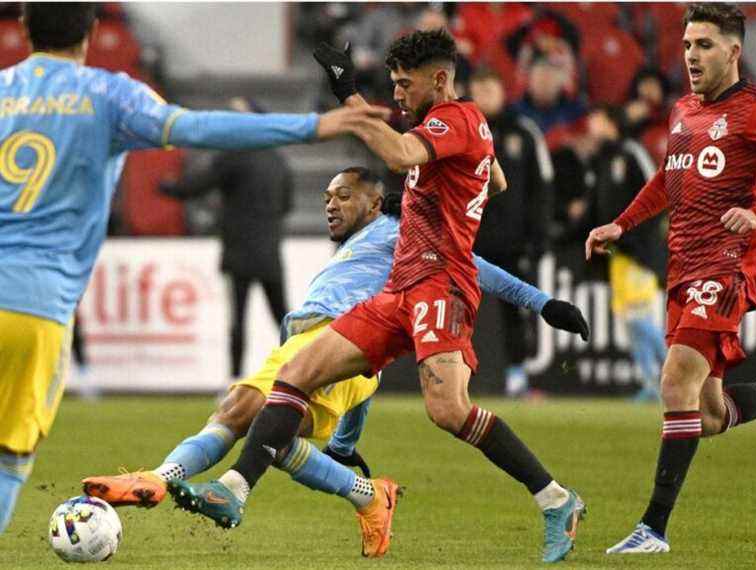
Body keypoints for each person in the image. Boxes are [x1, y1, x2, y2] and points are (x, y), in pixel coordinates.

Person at [171, 29, 589, 564]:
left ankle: (557, 500)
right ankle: (233, 490)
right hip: (400, 291)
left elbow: (399, 155)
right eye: (391, 84)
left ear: (440, 79)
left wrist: (350, 97)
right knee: (294, 375)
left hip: (442, 283)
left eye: (403, 84)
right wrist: (441, 184)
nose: (396, 94)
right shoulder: (459, 127)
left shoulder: (455, 118)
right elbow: (496, 180)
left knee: (448, 410)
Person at [0, 2, 387, 536]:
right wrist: (314, 125)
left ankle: (174, 477)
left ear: (22, 28)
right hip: (35, 308)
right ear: (92, 30)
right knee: (7, 459)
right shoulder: (111, 94)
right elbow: (200, 127)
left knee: (256, 407)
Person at [83, 165, 590, 557]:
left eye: (343, 196)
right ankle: (368, 496)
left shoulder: (396, 231)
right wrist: (347, 441)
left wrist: (541, 303)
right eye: (326, 198)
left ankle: (161, 478)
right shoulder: (355, 248)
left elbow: (472, 267)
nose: (330, 205)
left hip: (330, 343)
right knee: (272, 436)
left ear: (375, 203)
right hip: (318, 346)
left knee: (241, 408)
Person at [586, 3, 756, 554]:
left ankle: (652, 530)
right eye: (687, 45)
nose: (691, 56)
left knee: (673, 383)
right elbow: (670, 177)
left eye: (704, 45)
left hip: (728, 263)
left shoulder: (754, 111)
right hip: (683, 267)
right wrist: (622, 221)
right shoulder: (683, 109)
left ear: (734, 51)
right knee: (706, 414)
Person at [161, 97, 293, 379]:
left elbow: (194, 186)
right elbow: (286, 205)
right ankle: (303, 376)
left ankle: (234, 380)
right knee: (284, 319)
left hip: (239, 251)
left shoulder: (235, 156)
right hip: (270, 251)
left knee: (238, 320)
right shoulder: (279, 161)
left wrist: (167, 187)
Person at [469, 67, 554, 397]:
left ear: (502, 91)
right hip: (468, 241)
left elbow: (542, 187)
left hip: (513, 243)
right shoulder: (463, 130)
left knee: (517, 311)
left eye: (490, 86)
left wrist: (538, 238)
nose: (485, 94)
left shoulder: (524, 131)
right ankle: (450, 376)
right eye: (479, 86)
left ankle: (517, 377)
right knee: (455, 310)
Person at [583, 105, 667, 402]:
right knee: (629, 320)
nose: (590, 127)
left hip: (640, 254)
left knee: (636, 318)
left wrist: (644, 244)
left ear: (609, 123)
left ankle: (676, 368)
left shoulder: (631, 153)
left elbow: (657, 194)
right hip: (619, 254)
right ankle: (649, 384)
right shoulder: (601, 160)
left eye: (595, 120)